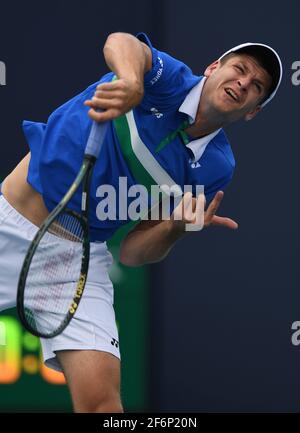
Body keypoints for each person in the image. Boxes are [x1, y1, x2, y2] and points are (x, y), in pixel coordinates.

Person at [0, 32, 282, 412]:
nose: (243, 82)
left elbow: (133, 253)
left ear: (253, 111)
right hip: (13, 224)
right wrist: (132, 82)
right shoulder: (167, 80)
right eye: (240, 69)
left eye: (256, 86)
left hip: (77, 265)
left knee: (104, 406)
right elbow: (122, 42)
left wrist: (175, 227)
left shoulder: (216, 167)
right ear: (214, 68)